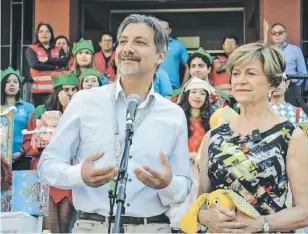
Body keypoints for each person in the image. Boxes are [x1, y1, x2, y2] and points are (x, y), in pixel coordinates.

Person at [37, 14, 191, 233]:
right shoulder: (85, 100)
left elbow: (183, 188)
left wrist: (168, 183)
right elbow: (47, 167)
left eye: (139, 42)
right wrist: (79, 174)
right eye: (123, 41)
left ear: (160, 56)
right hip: (91, 225)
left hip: (151, 226)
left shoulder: (173, 114)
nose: (128, 48)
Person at [197, 43, 308, 233]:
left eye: (250, 73)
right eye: (236, 73)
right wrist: (207, 217)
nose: (240, 80)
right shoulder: (214, 136)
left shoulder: (290, 135)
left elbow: (306, 210)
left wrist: (260, 224)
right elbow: (200, 202)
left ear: (272, 83)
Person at [23, 71, 78, 233]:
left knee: (64, 225)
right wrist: (40, 144)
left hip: (67, 175)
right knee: (48, 226)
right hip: (44, 174)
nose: (69, 93)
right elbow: (28, 143)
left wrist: (67, 106)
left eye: (73, 89)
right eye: (65, 89)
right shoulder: (40, 111)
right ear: (57, 91)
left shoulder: (78, 111)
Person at [169, 77, 213, 232]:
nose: (197, 96)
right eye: (193, 92)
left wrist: (198, 157)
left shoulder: (211, 120)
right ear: (186, 95)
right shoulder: (178, 116)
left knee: (198, 195)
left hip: (202, 167)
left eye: (202, 93)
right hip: (181, 165)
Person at [26, 22, 68, 106]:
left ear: (51, 34)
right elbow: (35, 65)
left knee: (56, 116)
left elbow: (64, 61)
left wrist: (48, 59)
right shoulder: (31, 49)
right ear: (37, 34)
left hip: (56, 91)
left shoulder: (59, 49)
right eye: (41, 31)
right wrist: (55, 66)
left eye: (47, 31)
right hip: (38, 92)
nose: (44, 34)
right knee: (41, 117)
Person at [1, 67, 34, 170]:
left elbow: (32, 134)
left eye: (15, 82)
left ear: (19, 87)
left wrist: (22, 152)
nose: (12, 84)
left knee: (20, 186)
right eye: (8, 81)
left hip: (22, 157)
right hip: (1, 157)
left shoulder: (28, 107)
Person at [270, 23, 307, 106]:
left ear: (285, 34)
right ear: (271, 35)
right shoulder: (268, 51)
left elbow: (303, 72)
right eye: (274, 33)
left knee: (291, 114)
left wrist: (294, 85)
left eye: (280, 33)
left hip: (291, 87)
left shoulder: (295, 50)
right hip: (272, 87)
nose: (277, 35)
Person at [159, 19, 190, 89]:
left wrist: (182, 87)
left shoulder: (178, 45)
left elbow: (188, 66)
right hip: (154, 87)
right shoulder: (151, 45)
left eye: (165, 29)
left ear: (170, 30)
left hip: (173, 88)